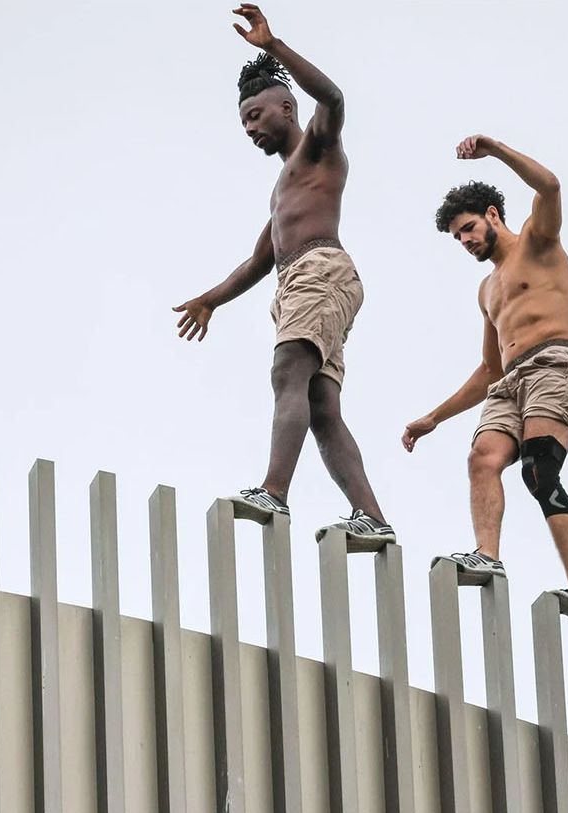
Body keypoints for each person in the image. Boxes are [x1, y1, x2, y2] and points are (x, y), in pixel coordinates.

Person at [171, 4, 392, 546]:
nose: (249, 130)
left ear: (287, 108)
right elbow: (258, 260)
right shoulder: (281, 190)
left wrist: (273, 46)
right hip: (300, 278)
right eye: (243, 121)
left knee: (286, 371)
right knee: (320, 407)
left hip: (319, 271)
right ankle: (373, 518)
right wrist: (209, 300)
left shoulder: (318, 150)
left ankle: (274, 491)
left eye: (255, 116)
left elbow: (335, 97)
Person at [403, 137, 568, 620]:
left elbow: (550, 185)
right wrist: (434, 417)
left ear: (492, 215)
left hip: (553, 366)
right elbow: (489, 369)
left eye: (468, 228)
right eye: (457, 237)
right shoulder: (486, 289)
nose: (465, 241)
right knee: (481, 458)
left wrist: (492, 149)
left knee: (539, 469)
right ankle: (488, 558)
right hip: (509, 382)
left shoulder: (538, 242)